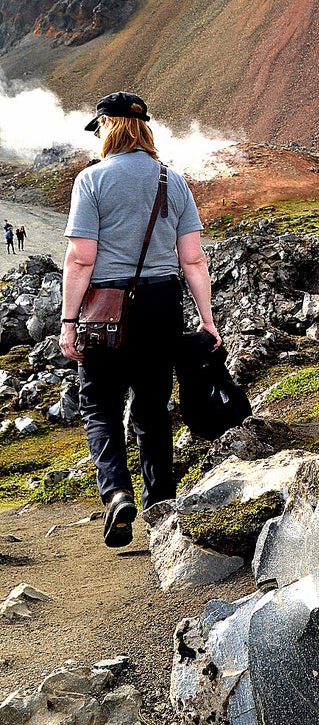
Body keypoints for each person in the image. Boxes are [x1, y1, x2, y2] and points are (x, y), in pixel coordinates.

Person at [59, 91, 221, 548]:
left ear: (107, 128)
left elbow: (80, 258)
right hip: (162, 306)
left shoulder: (91, 181)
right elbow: (193, 260)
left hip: (105, 311)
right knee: (152, 409)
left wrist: (69, 321)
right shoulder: (174, 182)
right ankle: (160, 511)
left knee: (99, 405)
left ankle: (115, 494)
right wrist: (206, 320)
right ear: (144, 129)